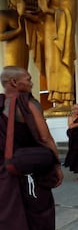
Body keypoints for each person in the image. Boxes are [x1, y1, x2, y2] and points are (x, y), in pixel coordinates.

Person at [0, 66, 63, 229]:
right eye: (28, 79)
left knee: (9, 218)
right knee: (37, 217)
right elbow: (45, 138)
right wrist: (56, 165)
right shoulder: (27, 104)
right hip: (29, 171)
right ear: (14, 82)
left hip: (4, 174)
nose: (32, 83)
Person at [33, 0, 77, 110]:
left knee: (62, 62)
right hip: (47, 34)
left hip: (61, 35)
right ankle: (56, 100)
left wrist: (48, 10)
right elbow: (40, 16)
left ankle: (66, 100)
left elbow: (68, 13)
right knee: (50, 66)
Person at [0, 0, 30, 70]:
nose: (19, 1)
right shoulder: (4, 14)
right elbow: (0, 36)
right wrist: (18, 30)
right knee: (13, 77)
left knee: (23, 75)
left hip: (24, 53)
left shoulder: (26, 18)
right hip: (11, 57)